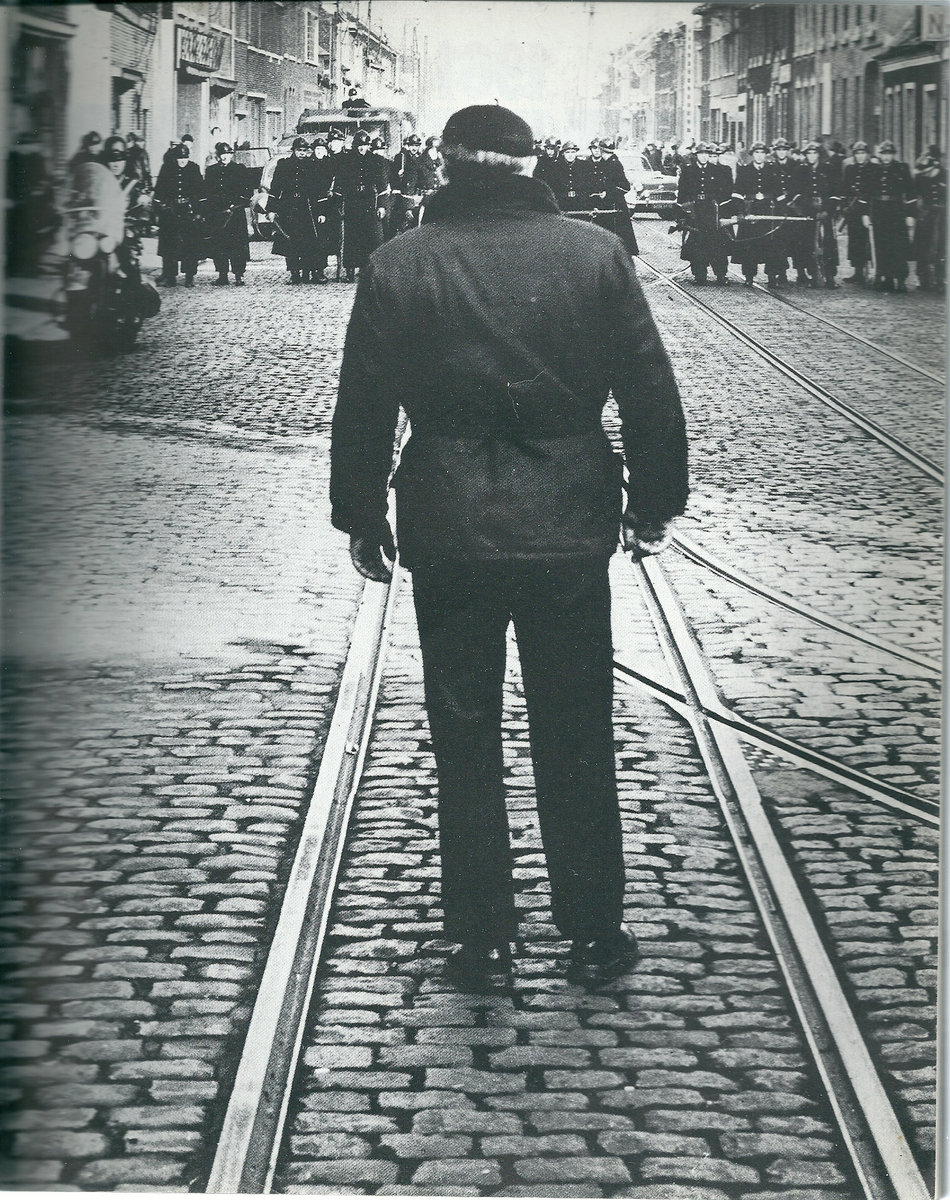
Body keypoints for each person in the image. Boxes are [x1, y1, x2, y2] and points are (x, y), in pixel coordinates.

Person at [330, 103, 688, 992]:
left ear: (446, 166)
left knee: (462, 733)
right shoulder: (595, 254)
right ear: (531, 168)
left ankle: (483, 939)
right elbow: (650, 389)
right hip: (568, 519)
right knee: (577, 726)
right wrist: (654, 503)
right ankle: (594, 931)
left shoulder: (399, 262)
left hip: (449, 520)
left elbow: (364, 402)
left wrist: (361, 513)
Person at [336, 129, 390, 281]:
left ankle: (368, 271)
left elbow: (383, 186)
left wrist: (382, 206)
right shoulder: (346, 160)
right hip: (352, 203)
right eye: (359, 145)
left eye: (365, 145)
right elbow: (339, 184)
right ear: (354, 146)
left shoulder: (377, 161)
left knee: (372, 237)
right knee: (352, 237)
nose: (362, 148)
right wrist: (339, 205)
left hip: (370, 202)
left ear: (369, 146)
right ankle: (350, 271)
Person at [676, 142, 731, 284]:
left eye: (706, 154)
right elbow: (682, 193)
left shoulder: (716, 170)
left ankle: (721, 275)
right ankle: (699, 275)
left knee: (717, 244)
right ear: (697, 156)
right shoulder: (688, 171)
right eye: (701, 154)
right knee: (697, 245)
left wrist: (719, 204)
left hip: (712, 212)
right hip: (695, 212)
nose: (704, 157)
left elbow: (725, 191)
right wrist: (683, 211)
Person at [270, 136, 321, 283]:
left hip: (307, 209)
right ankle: (294, 273)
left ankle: (307, 272)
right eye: (299, 150)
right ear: (293, 150)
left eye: (305, 150)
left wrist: (319, 210)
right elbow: (275, 188)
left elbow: (317, 190)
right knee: (290, 242)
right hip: (288, 208)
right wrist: (271, 209)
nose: (302, 153)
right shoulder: (284, 165)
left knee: (308, 242)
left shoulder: (312, 165)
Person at [153, 142, 204, 286]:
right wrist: (163, 205)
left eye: (185, 158)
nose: (182, 161)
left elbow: (200, 191)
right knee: (169, 245)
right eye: (180, 158)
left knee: (190, 245)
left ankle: (189, 276)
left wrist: (198, 211)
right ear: (175, 158)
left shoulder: (194, 168)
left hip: (189, 212)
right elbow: (159, 190)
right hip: (171, 212)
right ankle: (170, 277)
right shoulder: (167, 168)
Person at [204, 141, 252, 285]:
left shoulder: (239, 169)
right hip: (218, 215)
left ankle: (239, 275)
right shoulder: (211, 171)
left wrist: (236, 204)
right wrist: (211, 209)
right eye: (222, 154)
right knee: (219, 245)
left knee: (238, 246)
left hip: (235, 215)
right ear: (218, 156)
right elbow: (207, 193)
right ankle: (222, 275)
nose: (225, 157)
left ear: (232, 155)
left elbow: (247, 192)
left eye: (228, 154)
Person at [870, 140, 914, 293]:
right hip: (879, 212)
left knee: (899, 246)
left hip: (897, 212)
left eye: (889, 154)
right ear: (880, 155)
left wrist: (910, 214)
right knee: (882, 246)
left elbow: (911, 192)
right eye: (884, 154)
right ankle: (886, 278)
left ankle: (901, 280)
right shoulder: (874, 170)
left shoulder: (902, 168)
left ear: (893, 154)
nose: (886, 157)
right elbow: (868, 193)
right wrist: (867, 214)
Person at [796, 141, 841, 288]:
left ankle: (830, 276)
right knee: (809, 244)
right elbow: (796, 194)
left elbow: (835, 193)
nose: (811, 156)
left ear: (819, 155)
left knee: (828, 243)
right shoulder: (801, 170)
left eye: (814, 153)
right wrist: (804, 210)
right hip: (808, 213)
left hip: (825, 213)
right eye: (809, 153)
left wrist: (828, 210)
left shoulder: (829, 169)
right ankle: (814, 275)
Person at [761, 137, 802, 286]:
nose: (781, 152)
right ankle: (777, 273)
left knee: (795, 241)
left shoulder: (795, 166)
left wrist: (791, 199)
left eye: (784, 150)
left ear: (787, 151)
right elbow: (767, 186)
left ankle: (799, 272)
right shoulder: (770, 166)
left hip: (793, 208)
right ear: (775, 151)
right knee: (775, 241)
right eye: (779, 150)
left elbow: (799, 186)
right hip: (776, 209)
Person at [841, 141, 875, 285]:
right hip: (853, 210)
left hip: (869, 210)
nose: (860, 156)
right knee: (855, 240)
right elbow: (844, 189)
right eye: (857, 154)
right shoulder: (850, 169)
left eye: (863, 153)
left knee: (869, 241)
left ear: (867, 154)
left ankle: (873, 271)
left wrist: (867, 209)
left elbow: (873, 191)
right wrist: (844, 207)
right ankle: (858, 272)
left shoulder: (874, 169)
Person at [912, 146, 946, 292]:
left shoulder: (945, 174)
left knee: (940, 248)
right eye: (930, 159)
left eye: (935, 159)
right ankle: (923, 278)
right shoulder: (920, 176)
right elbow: (913, 196)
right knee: (923, 247)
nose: (933, 162)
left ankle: (939, 279)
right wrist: (915, 214)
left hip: (942, 216)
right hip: (924, 215)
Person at [389, 133, 424, 235]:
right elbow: (394, 177)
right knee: (405, 221)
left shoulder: (420, 158)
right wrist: (399, 174)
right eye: (412, 145)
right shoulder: (402, 158)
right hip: (404, 194)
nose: (414, 148)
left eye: (416, 146)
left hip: (416, 193)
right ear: (408, 146)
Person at [547, 140, 588, 216]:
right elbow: (552, 186)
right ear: (563, 153)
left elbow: (587, 185)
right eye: (567, 152)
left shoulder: (583, 166)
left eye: (573, 152)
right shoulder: (555, 167)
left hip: (580, 203)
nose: (570, 155)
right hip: (562, 203)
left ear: (576, 153)